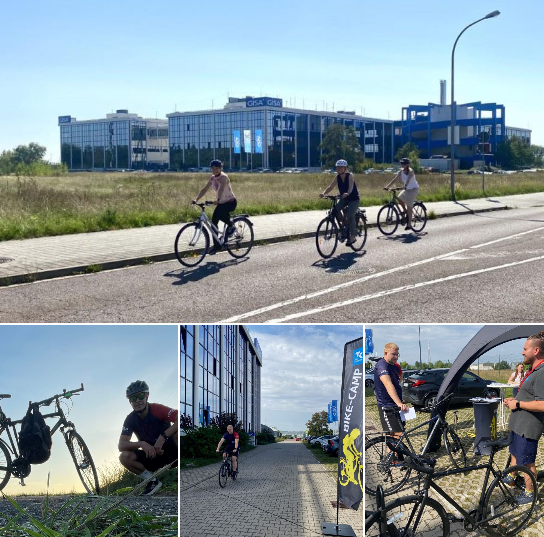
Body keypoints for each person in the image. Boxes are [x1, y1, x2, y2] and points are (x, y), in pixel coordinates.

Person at [502, 332, 544, 504]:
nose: (522, 352)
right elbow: (529, 396)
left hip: (528, 427)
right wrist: (515, 400)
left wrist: (518, 405)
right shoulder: (532, 370)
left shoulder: (542, 373)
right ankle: (512, 478)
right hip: (518, 424)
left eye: (525, 349)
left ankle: (529, 493)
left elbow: (542, 404)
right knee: (514, 453)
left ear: (536, 350)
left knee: (527, 462)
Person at [119, 380, 178, 496]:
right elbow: (121, 445)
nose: (137, 401)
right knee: (124, 456)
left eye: (141, 396)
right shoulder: (130, 419)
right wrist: (142, 444)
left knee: (178, 435)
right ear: (130, 401)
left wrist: (163, 437)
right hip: (152, 455)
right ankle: (152, 481)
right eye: (133, 398)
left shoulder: (157, 409)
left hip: (172, 452)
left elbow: (179, 418)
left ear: (147, 396)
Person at [193, 159, 237, 255]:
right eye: (212, 168)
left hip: (230, 202)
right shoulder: (212, 178)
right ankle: (217, 246)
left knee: (220, 215)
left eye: (217, 168)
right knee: (214, 223)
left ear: (220, 168)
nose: (215, 170)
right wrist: (196, 199)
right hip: (221, 203)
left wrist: (217, 201)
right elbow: (204, 189)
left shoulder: (224, 177)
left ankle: (231, 226)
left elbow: (221, 189)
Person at [374, 343, 408, 454]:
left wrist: (398, 385)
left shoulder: (394, 365)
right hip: (387, 405)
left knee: (397, 432)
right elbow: (388, 385)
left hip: (395, 403)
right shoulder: (381, 366)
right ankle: (391, 456)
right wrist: (399, 403)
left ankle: (393, 455)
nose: (396, 357)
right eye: (393, 354)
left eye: (397, 354)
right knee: (395, 433)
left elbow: (400, 377)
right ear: (385, 353)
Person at [320, 159, 360, 245]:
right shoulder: (337, 177)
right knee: (334, 211)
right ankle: (344, 226)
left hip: (353, 199)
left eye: (341, 167)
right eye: (338, 168)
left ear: (345, 168)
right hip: (344, 198)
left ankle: (353, 236)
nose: (339, 169)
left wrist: (348, 193)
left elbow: (351, 186)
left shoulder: (350, 175)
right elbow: (331, 186)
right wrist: (324, 193)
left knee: (350, 215)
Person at [383, 157, 420, 230]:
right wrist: (387, 187)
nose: (402, 165)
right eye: (401, 163)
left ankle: (409, 224)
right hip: (407, 189)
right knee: (399, 198)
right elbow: (395, 179)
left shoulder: (411, 171)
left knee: (409, 205)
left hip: (413, 189)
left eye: (404, 163)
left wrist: (404, 186)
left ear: (407, 164)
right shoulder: (401, 171)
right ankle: (405, 210)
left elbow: (408, 180)